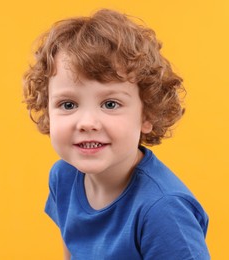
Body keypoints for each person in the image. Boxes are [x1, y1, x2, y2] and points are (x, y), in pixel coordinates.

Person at [22, 8, 210, 260]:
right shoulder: (63, 176)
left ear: (147, 115)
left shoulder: (163, 210)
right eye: (68, 105)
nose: (87, 123)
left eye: (110, 104)